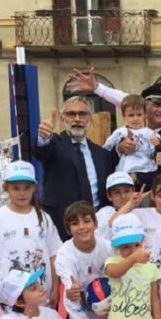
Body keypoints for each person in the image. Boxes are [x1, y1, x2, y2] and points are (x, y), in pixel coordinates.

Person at [0, 160, 61, 310]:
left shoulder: (44, 218)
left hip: (42, 297)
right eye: (16, 188)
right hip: (11, 300)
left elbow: (54, 256)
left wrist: (55, 288)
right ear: (6, 188)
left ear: (34, 188)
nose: (22, 193)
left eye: (27, 188)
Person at [35, 96, 113, 240]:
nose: (77, 119)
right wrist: (44, 138)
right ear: (62, 119)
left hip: (96, 230)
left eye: (82, 114)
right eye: (71, 114)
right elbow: (42, 151)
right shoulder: (55, 144)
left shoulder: (102, 154)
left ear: (89, 118)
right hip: (61, 228)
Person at [103, 94, 160, 189]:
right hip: (124, 173)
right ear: (123, 116)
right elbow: (106, 149)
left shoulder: (151, 133)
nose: (135, 118)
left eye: (139, 114)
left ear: (145, 115)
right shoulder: (119, 133)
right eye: (131, 115)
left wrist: (156, 145)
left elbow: (156, 153)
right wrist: (118, 147)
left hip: (146, 171)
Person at [95, 171, 136, 241]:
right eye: (117, 193)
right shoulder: (102, 214)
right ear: (109, 196)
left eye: (126, 191)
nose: (123, 196)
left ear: (133, 191)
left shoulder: (142, 213)